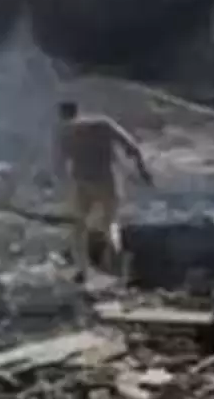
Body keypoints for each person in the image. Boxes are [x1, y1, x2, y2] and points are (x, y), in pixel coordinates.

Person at [52, 99, 153, 281]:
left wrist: (61, 185)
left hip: (82, 183)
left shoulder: (65, 132)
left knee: (78, 227)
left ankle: (82, 270)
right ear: (78, 110)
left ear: (62, 115)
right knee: (111, 225)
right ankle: (118, 271)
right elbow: (132, 147)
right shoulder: (103, 124)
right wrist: (143, 171)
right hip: (108, 181)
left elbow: (58, 165)